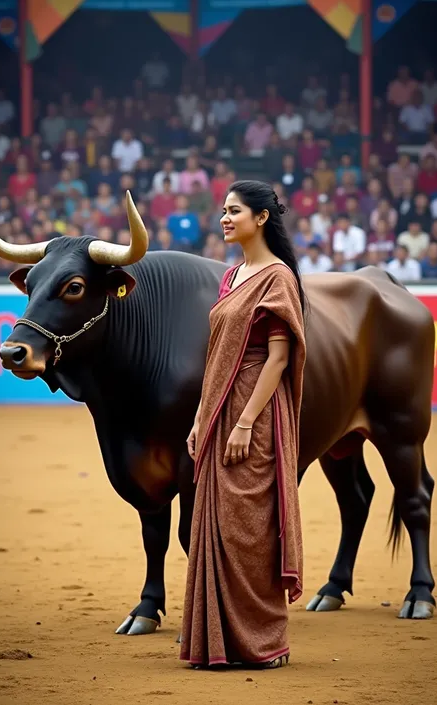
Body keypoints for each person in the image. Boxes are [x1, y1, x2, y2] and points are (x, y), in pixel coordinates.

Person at [180, 180, 306, 670]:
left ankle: (264, 642)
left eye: (235, 211)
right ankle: (220, 640)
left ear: (262, 218)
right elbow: (215, 358)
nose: (225, 219)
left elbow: (277, 359)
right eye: (224, 211)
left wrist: (244, 424)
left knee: (250, 528)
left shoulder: (279, 278)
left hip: (255, 414)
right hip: (218, 412)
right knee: (217, 526)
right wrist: (200, 419)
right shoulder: (231, 276)